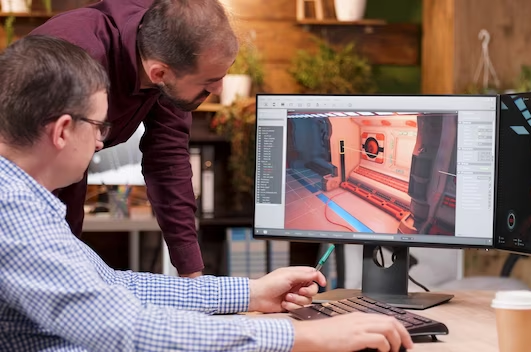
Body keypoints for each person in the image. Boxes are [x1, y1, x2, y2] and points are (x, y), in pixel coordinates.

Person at [0, 35, 414, 352]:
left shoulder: (23, 198)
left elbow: (112, 287)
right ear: (62, 131)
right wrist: (299, 336)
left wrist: (249, 292)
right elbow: (127, 328)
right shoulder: (14, 208)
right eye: (99, 127)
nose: (100, 143)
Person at [27, 0, 244, 278]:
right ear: (160, 74)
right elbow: (40, 167)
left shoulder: (171, 51)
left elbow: (168, 160)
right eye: (209, 81)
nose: (218, 90)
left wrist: (193, 275)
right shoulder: (74, 56)